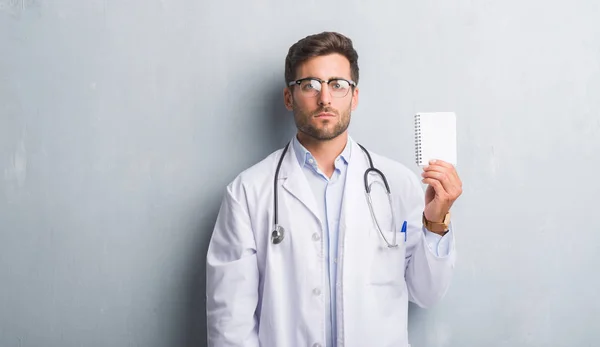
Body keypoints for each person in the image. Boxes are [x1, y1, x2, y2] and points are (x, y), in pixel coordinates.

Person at [206, 31, 463, 347]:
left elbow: (427, 292)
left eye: (338, 85)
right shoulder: (247, 193)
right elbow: (230, 324)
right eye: (310, 85)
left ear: (354, 97)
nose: (324, 98)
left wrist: (436, 222)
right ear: (289, 97)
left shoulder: (398, 184)